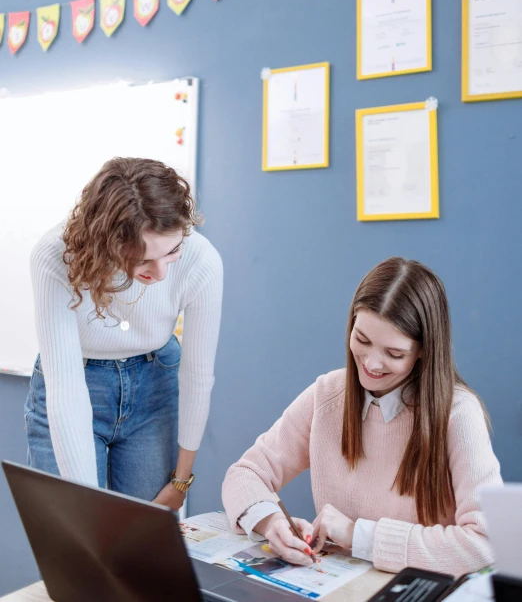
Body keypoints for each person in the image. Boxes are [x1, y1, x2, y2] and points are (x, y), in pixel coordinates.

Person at [222, 258, 502, 576]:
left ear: (424, 350)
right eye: (362, 340)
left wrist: (359, 536)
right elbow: (245, 474)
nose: (371, 363)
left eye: (394, 353)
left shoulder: (458, 414)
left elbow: (487, 541)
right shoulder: (326, 395)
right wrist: (270, 521)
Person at [27, 157, 223, 510]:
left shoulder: (202, 260)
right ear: (107, 246)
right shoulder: (54, 256)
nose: (161, 272)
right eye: (142, 260)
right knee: (75, 535)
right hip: (76, 381)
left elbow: (197, 376)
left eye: (172, 251)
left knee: (145, 544)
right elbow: (66, 390)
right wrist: (86, 514)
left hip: (155, 386)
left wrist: (181, 480)